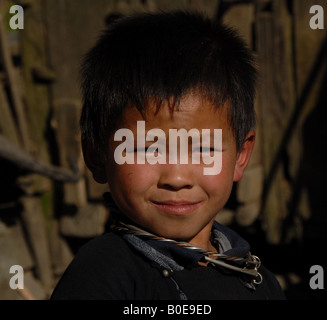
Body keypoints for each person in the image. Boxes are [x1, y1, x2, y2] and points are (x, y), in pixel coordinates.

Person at [51, 10, 285, 300]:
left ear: (241, 155)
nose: (176, 177)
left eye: (203, 148)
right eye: (147, 148)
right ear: (97, 155)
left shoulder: (256, 281)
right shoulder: (102, 276)